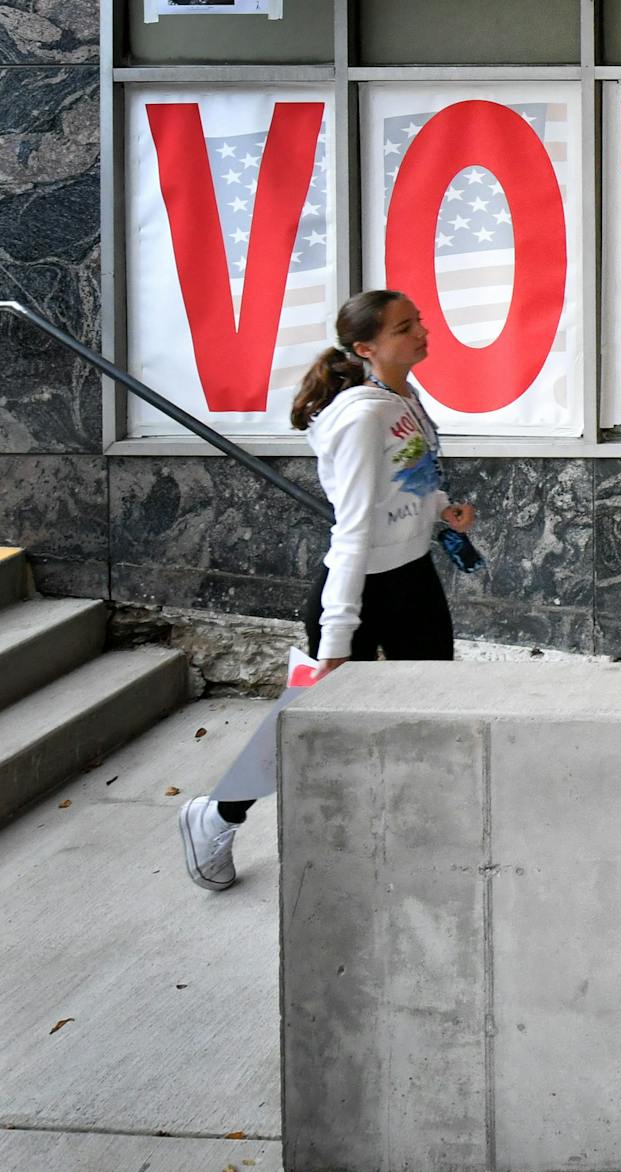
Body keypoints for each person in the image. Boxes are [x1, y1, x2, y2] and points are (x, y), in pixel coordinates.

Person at [177, 289, 477, 891]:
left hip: (412, 576)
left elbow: (405, 481)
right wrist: (340, 632)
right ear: (366, 348)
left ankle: (413, 832)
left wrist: (440, 510)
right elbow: (355, 524)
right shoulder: (364, 415)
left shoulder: (400, 398)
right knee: (309, 721)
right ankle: (216, 814)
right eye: (403, 328)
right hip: (359, 590)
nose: (421, 332)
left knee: (433, 704)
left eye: (417, 321)